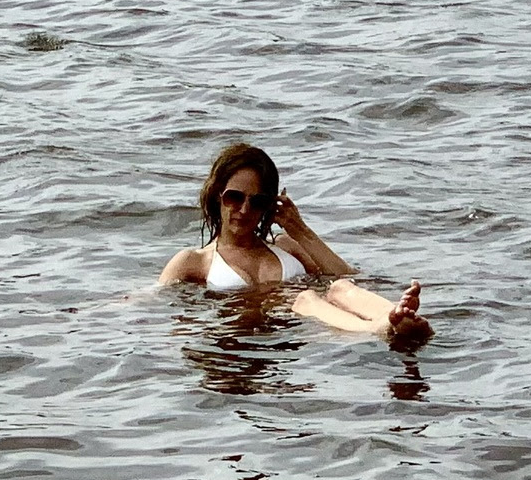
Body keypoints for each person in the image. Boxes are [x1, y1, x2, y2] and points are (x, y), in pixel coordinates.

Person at [156, 142, 432, 350]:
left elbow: (344, 275)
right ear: (218, 195)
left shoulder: (286, 246)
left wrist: (298, 228)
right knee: (306, 298)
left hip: (319, 321)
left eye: (257, 201)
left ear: (268, 206)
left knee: (340, 288)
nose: (244, 209)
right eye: (235, 197)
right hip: (291, 326)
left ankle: (394, 316)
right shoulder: (196, 261)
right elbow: (154, 301)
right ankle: (380, 329)